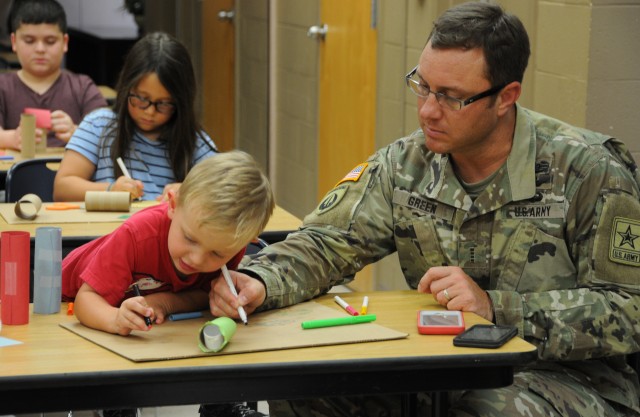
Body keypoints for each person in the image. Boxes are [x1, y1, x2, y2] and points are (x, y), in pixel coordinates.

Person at [208, 2, 640, 417]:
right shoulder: (405, 165)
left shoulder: (587, 170)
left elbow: (629, 308)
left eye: (452, 97)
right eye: (423, 86)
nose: (428, 110)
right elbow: (326, 242)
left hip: (564, 380)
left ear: (506, 96)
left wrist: (495, 309)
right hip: (440, 365)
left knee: (490, 409)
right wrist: (261, 282)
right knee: (308, 389)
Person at [53, 31, 217, 202]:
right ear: (126, 88)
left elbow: (224, 191)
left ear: (181, 102)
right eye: (141, 99)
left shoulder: (195, 142)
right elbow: (62, 188)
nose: (149, 111)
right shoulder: (99, 125)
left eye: (164, 103)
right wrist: (110, 189)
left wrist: (190, 192)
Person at [0, 0, 108, 150]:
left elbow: (109, 133)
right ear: (14, 41)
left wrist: (78, 133)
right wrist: (11, 139)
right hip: (15, 171)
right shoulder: (3, 87)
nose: (40, 49)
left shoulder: (82, 87)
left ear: (64, 42)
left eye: (50, 41)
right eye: (29, 41)